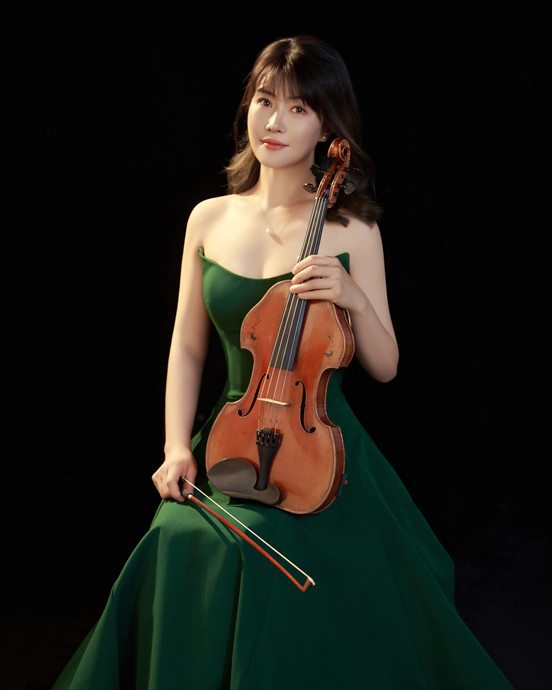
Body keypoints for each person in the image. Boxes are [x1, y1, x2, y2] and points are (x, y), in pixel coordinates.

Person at [53, 35, 514, 689]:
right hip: (230, 435)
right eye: (266, 101)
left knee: (281, 564)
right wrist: (176, 446)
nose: (275, 121)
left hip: (321, 446)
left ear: (327, 128)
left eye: (299, 109)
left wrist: (352, 296)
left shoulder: (354, 231)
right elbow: (188, 344)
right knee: (179, 539)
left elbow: (386, 366)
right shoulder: (208, 219)